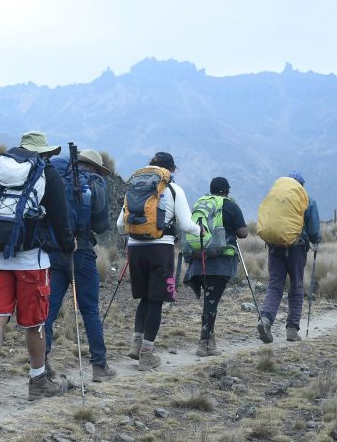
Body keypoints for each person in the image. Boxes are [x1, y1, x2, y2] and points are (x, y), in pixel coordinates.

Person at [0, 131, 75, 408]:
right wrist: (69, 245)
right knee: (35, 324)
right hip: (32, 260)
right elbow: (60, 218)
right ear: (42, 152)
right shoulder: (47, 174)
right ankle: (38, 382)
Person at [116, 152, 203, 371]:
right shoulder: (173, 189)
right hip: (161, 249)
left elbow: (120, 225)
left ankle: (136, 344)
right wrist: (199, 229)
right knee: (156, 300)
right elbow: (185, 224)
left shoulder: (134, 188)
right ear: (170, 170)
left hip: (135, 249)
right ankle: (147, 355)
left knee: (144, 298)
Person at [45, 149, 116, 382]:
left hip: (54, 252)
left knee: (48, 311)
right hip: (82, 252)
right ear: (94, 167)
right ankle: (99, 366)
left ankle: (41, 365)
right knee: (89, 310)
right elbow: (102, 225)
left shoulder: (55, 177)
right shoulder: (94, 184)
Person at [183, 177, 248, 356]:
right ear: (227, 190)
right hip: (219, 263)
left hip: (198, 261)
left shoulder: (201, 204)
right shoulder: (230, 205)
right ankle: (204, 343)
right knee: (211, 302)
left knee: (208, 301)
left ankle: (208, 340)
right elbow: (243, 233)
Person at [257, 171, 321, 343]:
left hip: (274, 247)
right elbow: (314, 230)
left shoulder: (276, 197)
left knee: (275, 285)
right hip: (297, 248)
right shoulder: (307, 199)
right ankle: (292, 330)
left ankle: (265, 319)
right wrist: (316, 240)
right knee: (296, 286)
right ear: (302, 185)